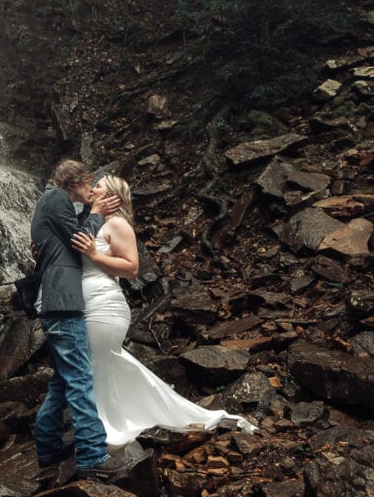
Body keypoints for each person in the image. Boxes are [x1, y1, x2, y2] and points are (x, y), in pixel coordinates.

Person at [71, 174, 258, 445]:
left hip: (104, 305)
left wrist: (94, 255)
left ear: (113, 197)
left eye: (98, 185)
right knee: (103, 363)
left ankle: (100, 431)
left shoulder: (118, 224)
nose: (91, 188)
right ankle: (130, 416)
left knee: (96, 363)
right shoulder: (89, 224)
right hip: (86, 306)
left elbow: (132, 268)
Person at [31, 160, 132, 477]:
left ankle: (48, 451)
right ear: (74, 181)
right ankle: (91, 456)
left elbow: (66, 243)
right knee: (80, 380)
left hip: (58, 302)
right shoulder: (57, 197)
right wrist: (98, 214)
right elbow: (80, 242)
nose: (92, 190)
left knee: (62, 383)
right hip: (63, 303)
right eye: (90, 184)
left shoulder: (53, 201)